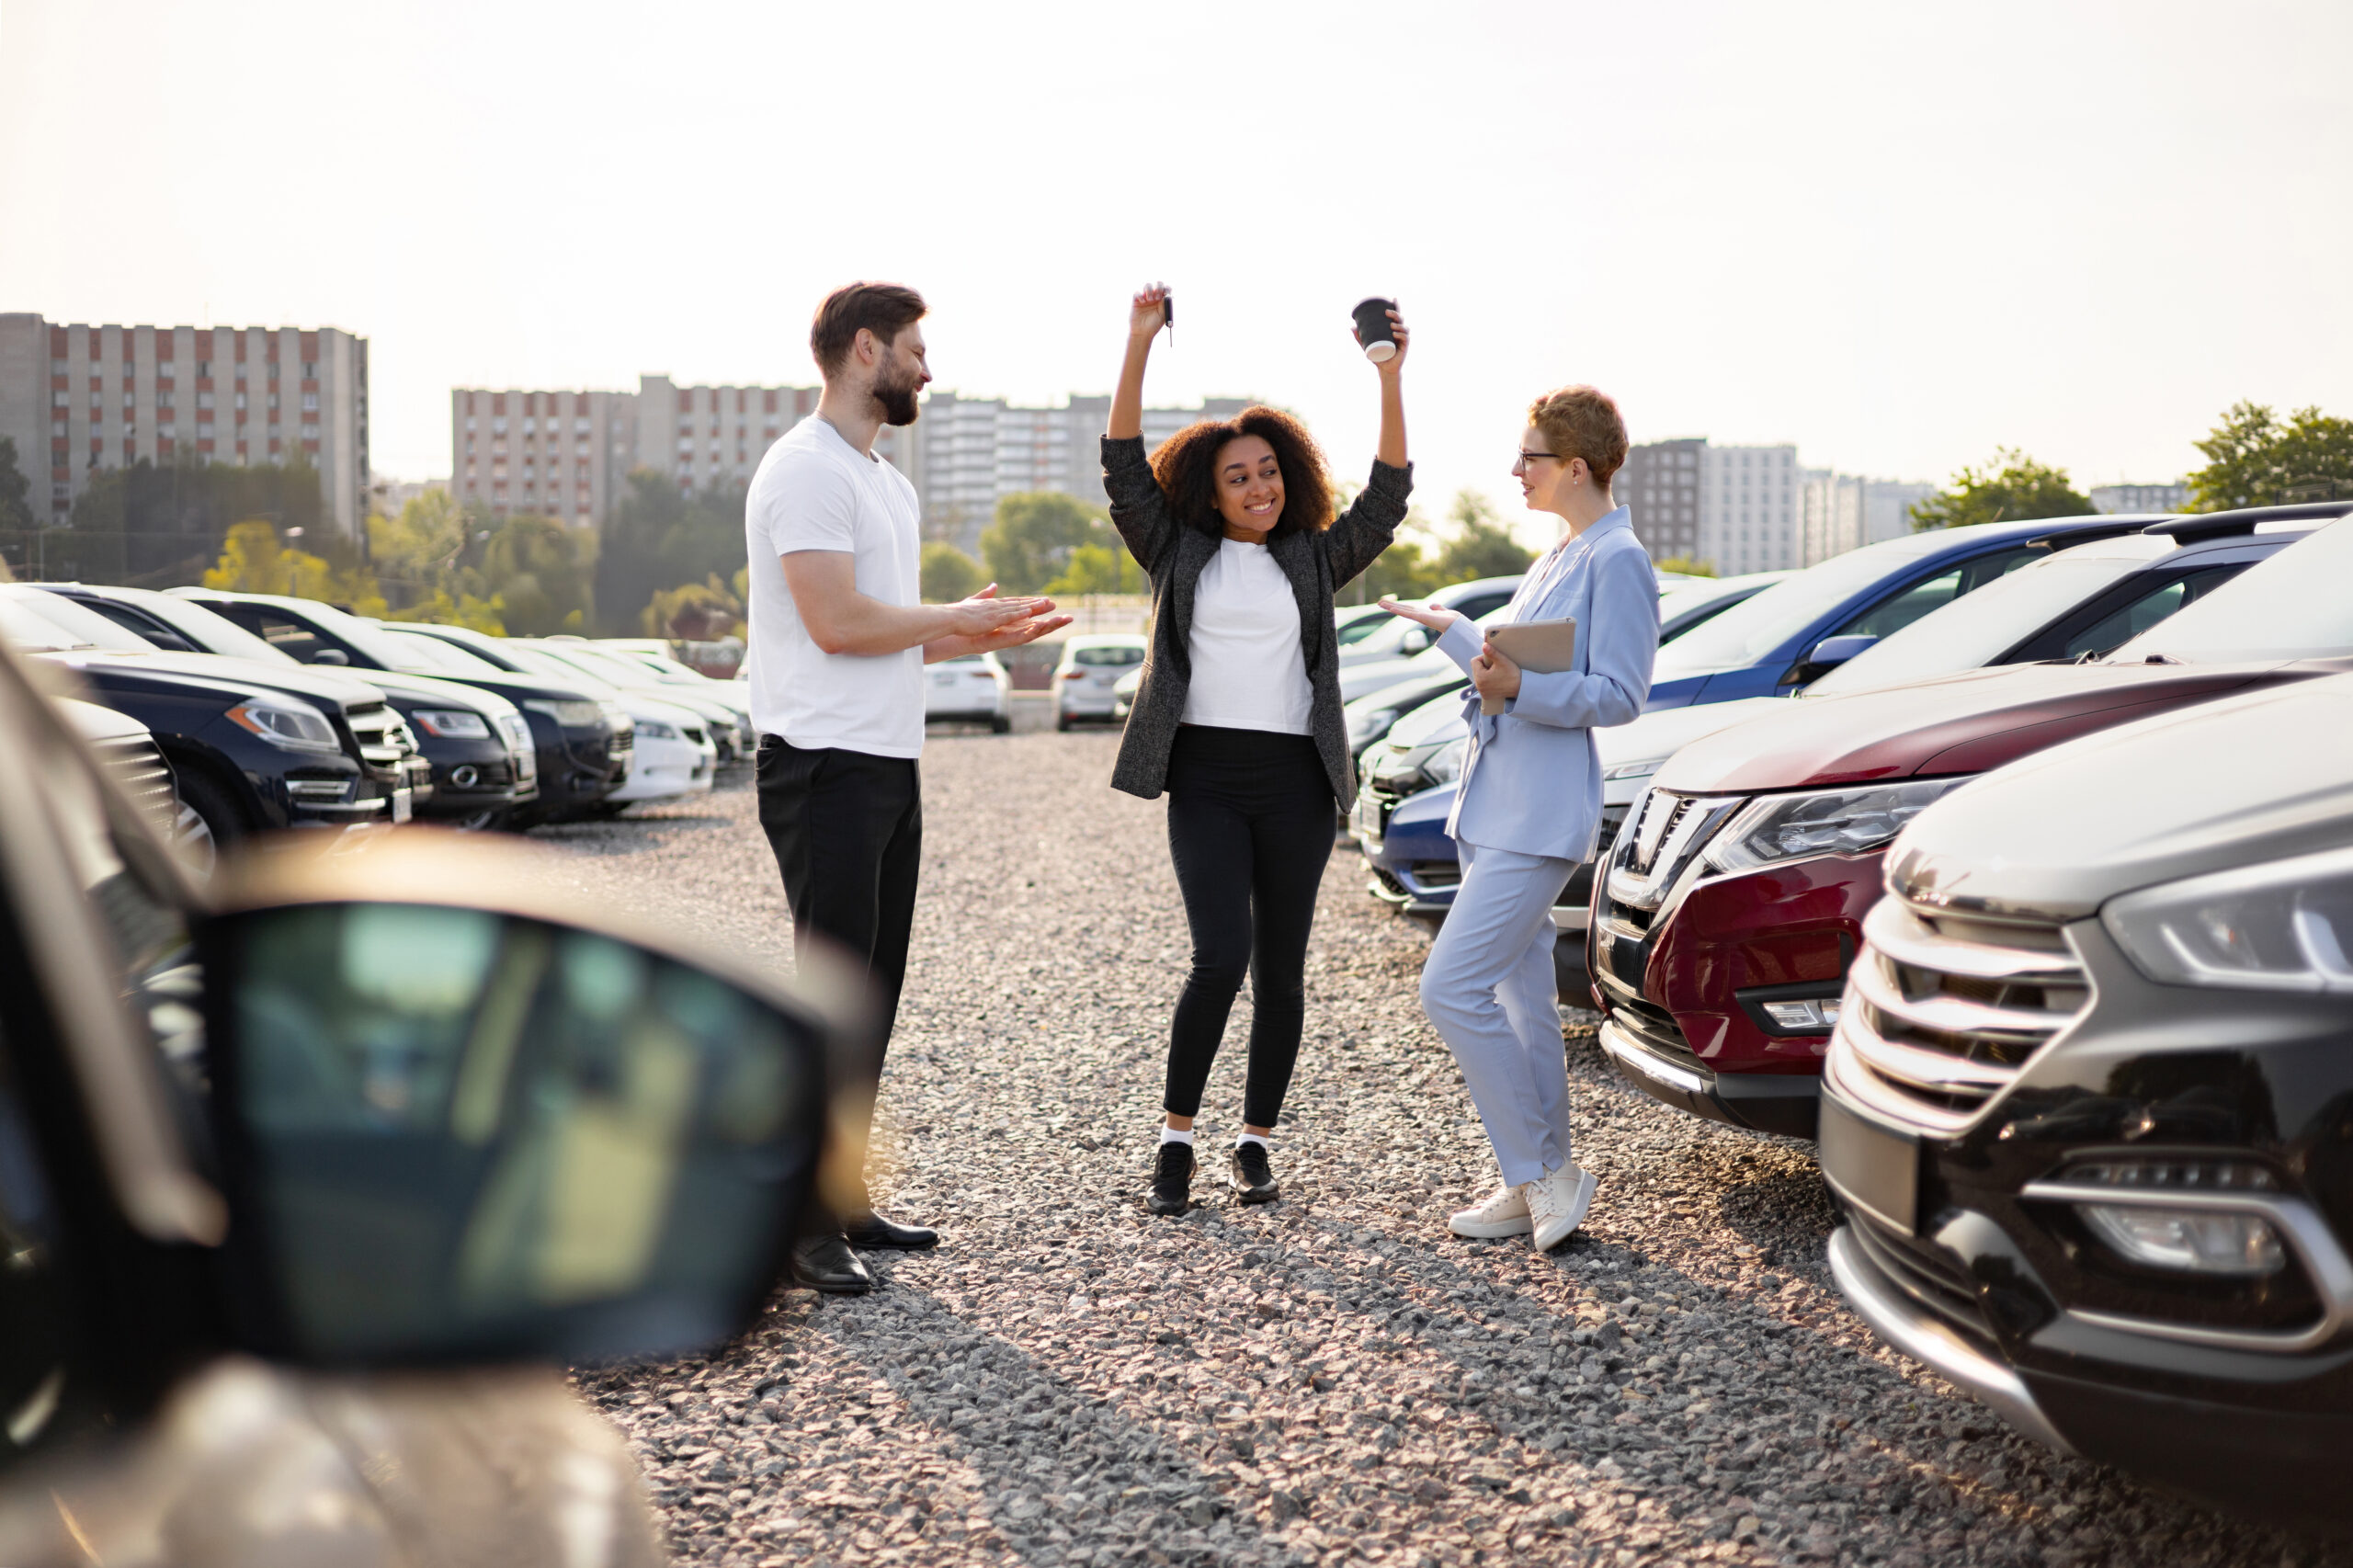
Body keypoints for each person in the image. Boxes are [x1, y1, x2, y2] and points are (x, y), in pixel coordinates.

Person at [746, 281, 1070, 1293]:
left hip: (886, 762)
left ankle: (841, 1199)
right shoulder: (804, 469)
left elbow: (882, 644)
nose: (928, 368)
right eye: (915, 350)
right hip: (821, 766)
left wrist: (964, 628)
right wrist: (948, 621)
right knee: (831, 999)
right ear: (861, 351)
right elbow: (836, 624)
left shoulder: (882, 479)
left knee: (870, 998)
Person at [1103, 282, 1413, 1217]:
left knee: (1281, 968)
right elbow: (1121, 465)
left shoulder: (1313, 555)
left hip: (1294, 781)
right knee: (1219, 956)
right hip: (1204, 774)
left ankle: (1255, 1140)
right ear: (1210, 486)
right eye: (1238, 475)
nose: (1257, 486)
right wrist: (1138, 345)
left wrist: (1390, 376)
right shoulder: (1172, 548)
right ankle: (1174, 1140)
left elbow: (1390, 495)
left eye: (1269, 471)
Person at [1380, 386, 1657, 1252]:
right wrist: (1460, 635)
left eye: (1530, 457)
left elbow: (1620, 697)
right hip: (1495, 809)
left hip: (1538, 818)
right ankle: (1533, 1175)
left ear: (1577, 467)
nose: (1515, 471)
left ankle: (1542, 1171)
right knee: (1524, 1004)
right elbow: (1510, 675)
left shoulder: (1618, 559)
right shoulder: (1560, 554)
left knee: (1448, 988)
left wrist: (1513, 685)